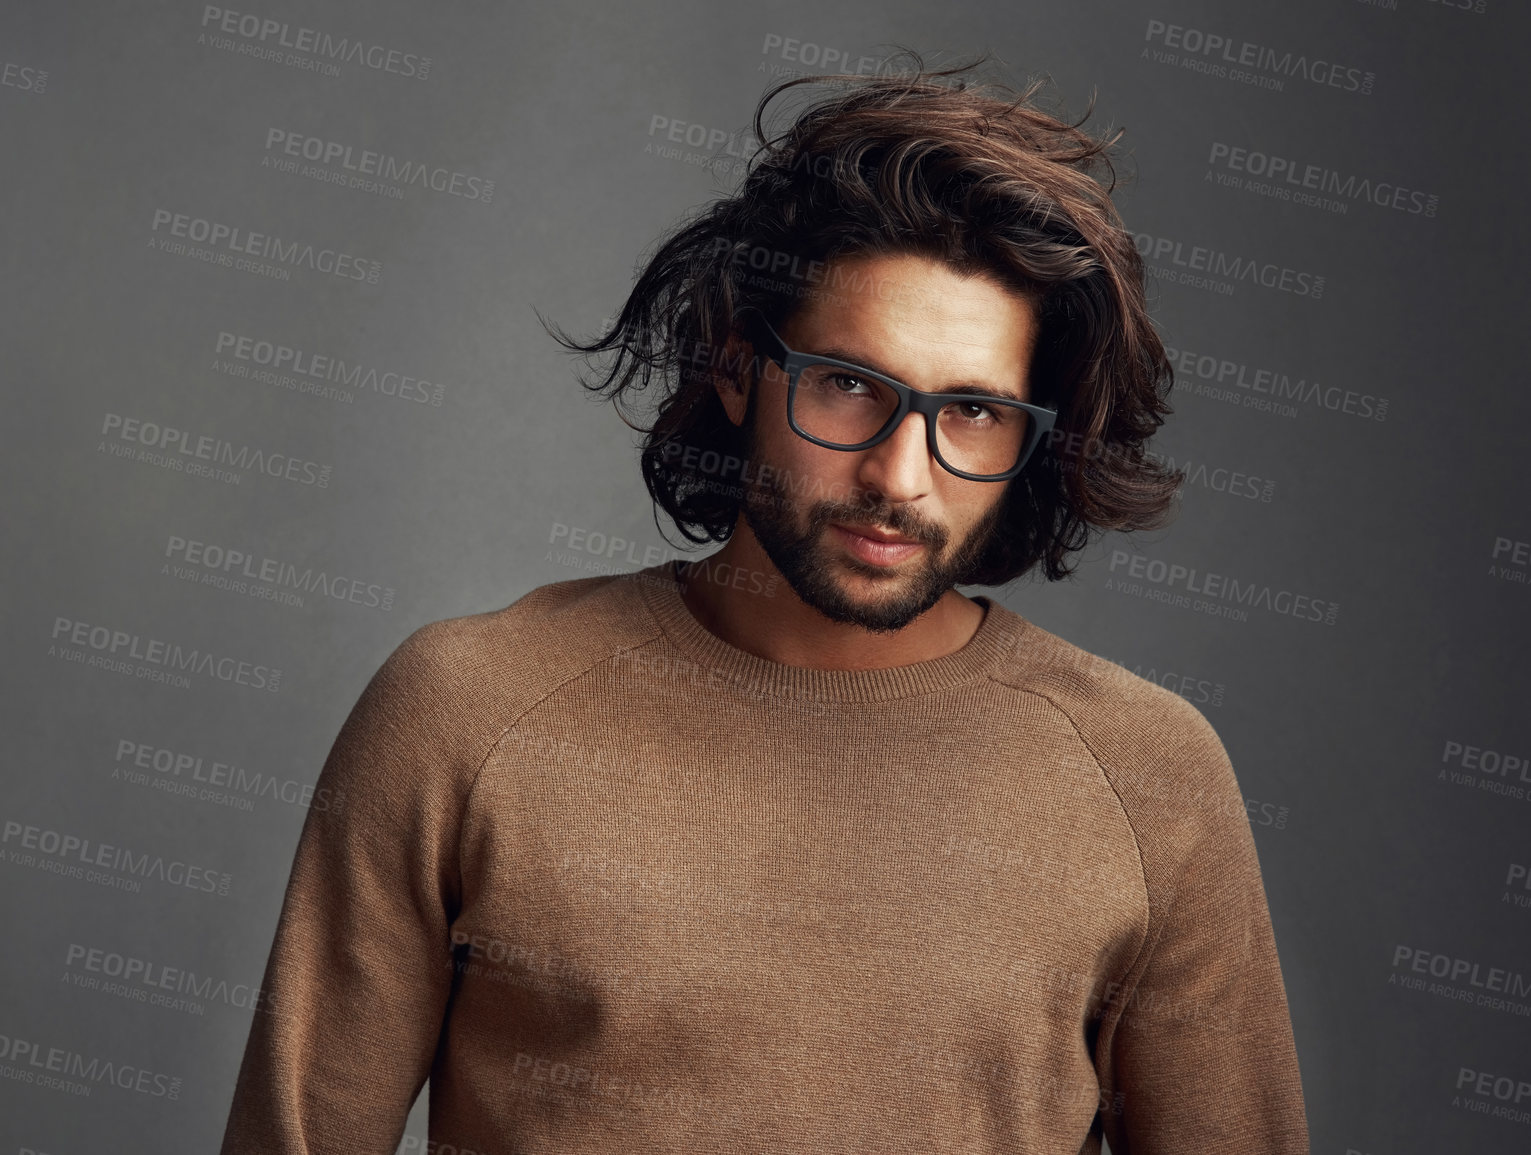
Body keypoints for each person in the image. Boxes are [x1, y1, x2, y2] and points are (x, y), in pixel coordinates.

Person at [220, 56, 1309, 1155]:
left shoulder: (1150, 778)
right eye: (848, 385)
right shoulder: (464, 711)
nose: (901, 475)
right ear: (740, 371)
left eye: (972, 411)